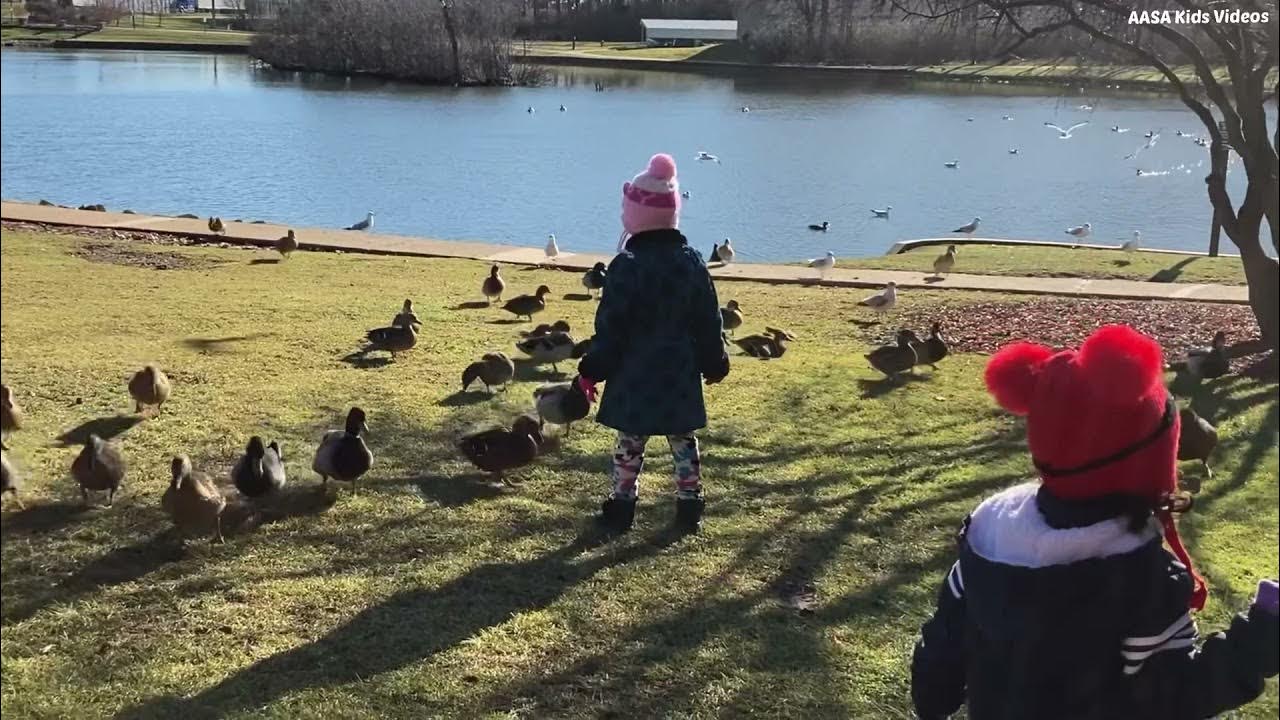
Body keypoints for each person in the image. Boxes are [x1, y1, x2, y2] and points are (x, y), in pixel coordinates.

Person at [911, 324, 1278, 719]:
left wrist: (932, 701)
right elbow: (1175, 695)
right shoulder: (1142, 579)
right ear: (1152, 464)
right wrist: (1261, 635)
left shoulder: (985, 544)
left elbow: (942, 648)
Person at [576, 153, 729, 534]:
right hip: (679, 367)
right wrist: (714, 360)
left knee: (630, 440)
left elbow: (611, 327)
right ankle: (690, 504)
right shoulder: (692, 262)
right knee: (683, 438)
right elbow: (708, 319)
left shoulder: (626, 265)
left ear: (634, 216)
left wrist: (593, 368)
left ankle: (622, 505)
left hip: (635, 369)